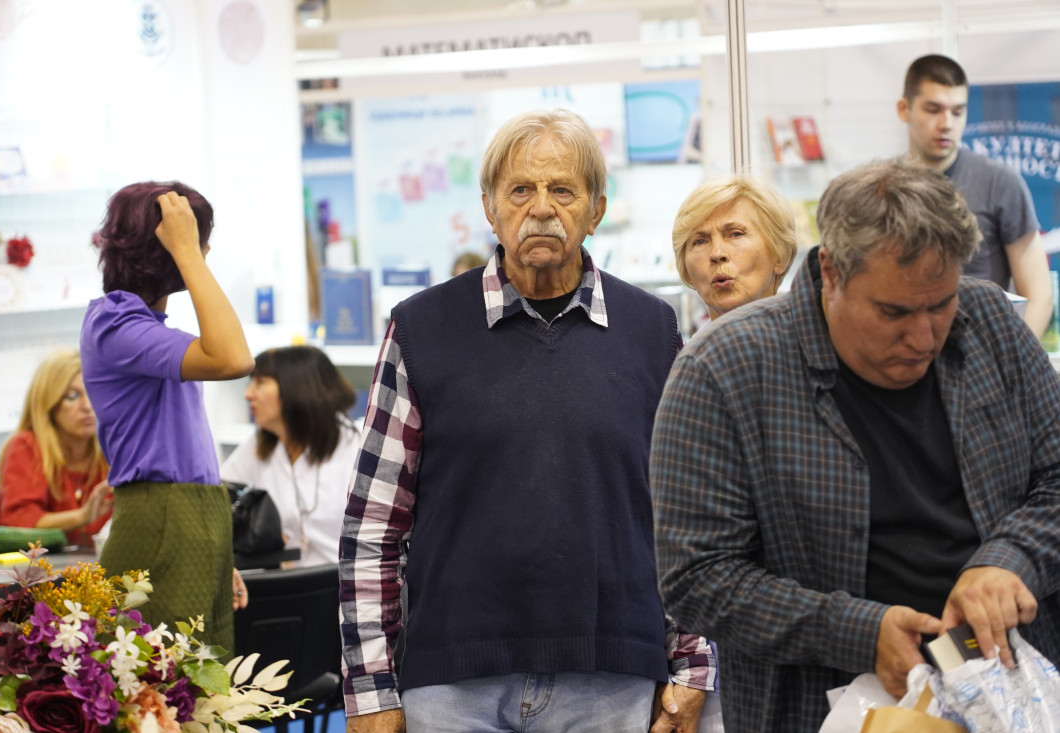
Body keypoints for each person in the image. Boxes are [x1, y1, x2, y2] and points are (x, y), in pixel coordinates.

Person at [339, 108, 716, 733]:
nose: (541, 208)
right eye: (520, 190)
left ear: (595, 209)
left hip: (611, 678)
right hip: (452, 688)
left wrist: (691, 666)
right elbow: (374, 525)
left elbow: (690, 517)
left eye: (562, 190)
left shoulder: (655, 333)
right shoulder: (420, 330)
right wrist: (371, 690)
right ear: (489, 207)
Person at [651, 158, 1060, 732]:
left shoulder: (989, 322)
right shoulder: (724, 370)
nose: (923, 336)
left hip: (1011, 692)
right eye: (893, 311)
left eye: (940, 304)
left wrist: (1008, 560)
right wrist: (856, 631)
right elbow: (696, 575)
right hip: (820, 708)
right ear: (832, 272)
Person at [81, 181, 254, 653]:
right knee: (168, 694)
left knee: (204, 691)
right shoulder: (114, 323)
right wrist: (188, 255)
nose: (207, 249)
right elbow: (234, 358)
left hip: (194, 516)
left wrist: (215, 550)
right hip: (162, 518)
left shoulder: (147, 330)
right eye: (199, 239)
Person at [898, 53, 1052, 337]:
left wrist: (1013, 363)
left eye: (957, 112)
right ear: (904, 109)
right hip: (904, 358)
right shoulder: (885, 188)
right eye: (933, 109)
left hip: (982, 358)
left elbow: (1039, 293)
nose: (947, 123)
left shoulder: (1000, 182)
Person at [220, 345, 360, 566]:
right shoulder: (261, 444)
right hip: (290, 586)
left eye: (260, 382)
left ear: (297, 387)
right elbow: (217, 496)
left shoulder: (356, 445)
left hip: (347, 587)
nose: (248, 394)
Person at [0, 349, 113, 547]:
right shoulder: (25, 446)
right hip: (25, 568)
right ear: (48, 404)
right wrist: (82, 516)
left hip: (92, 567)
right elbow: (19, 522)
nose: (88, 406)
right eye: (72, 396)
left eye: (92, 392)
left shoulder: (111, 445)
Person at [672, 175, 798, 323]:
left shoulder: (815, 342)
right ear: (686, 272)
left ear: (781, 255)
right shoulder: (691, 347)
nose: (717, 253)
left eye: (736, 234)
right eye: (700, 242)